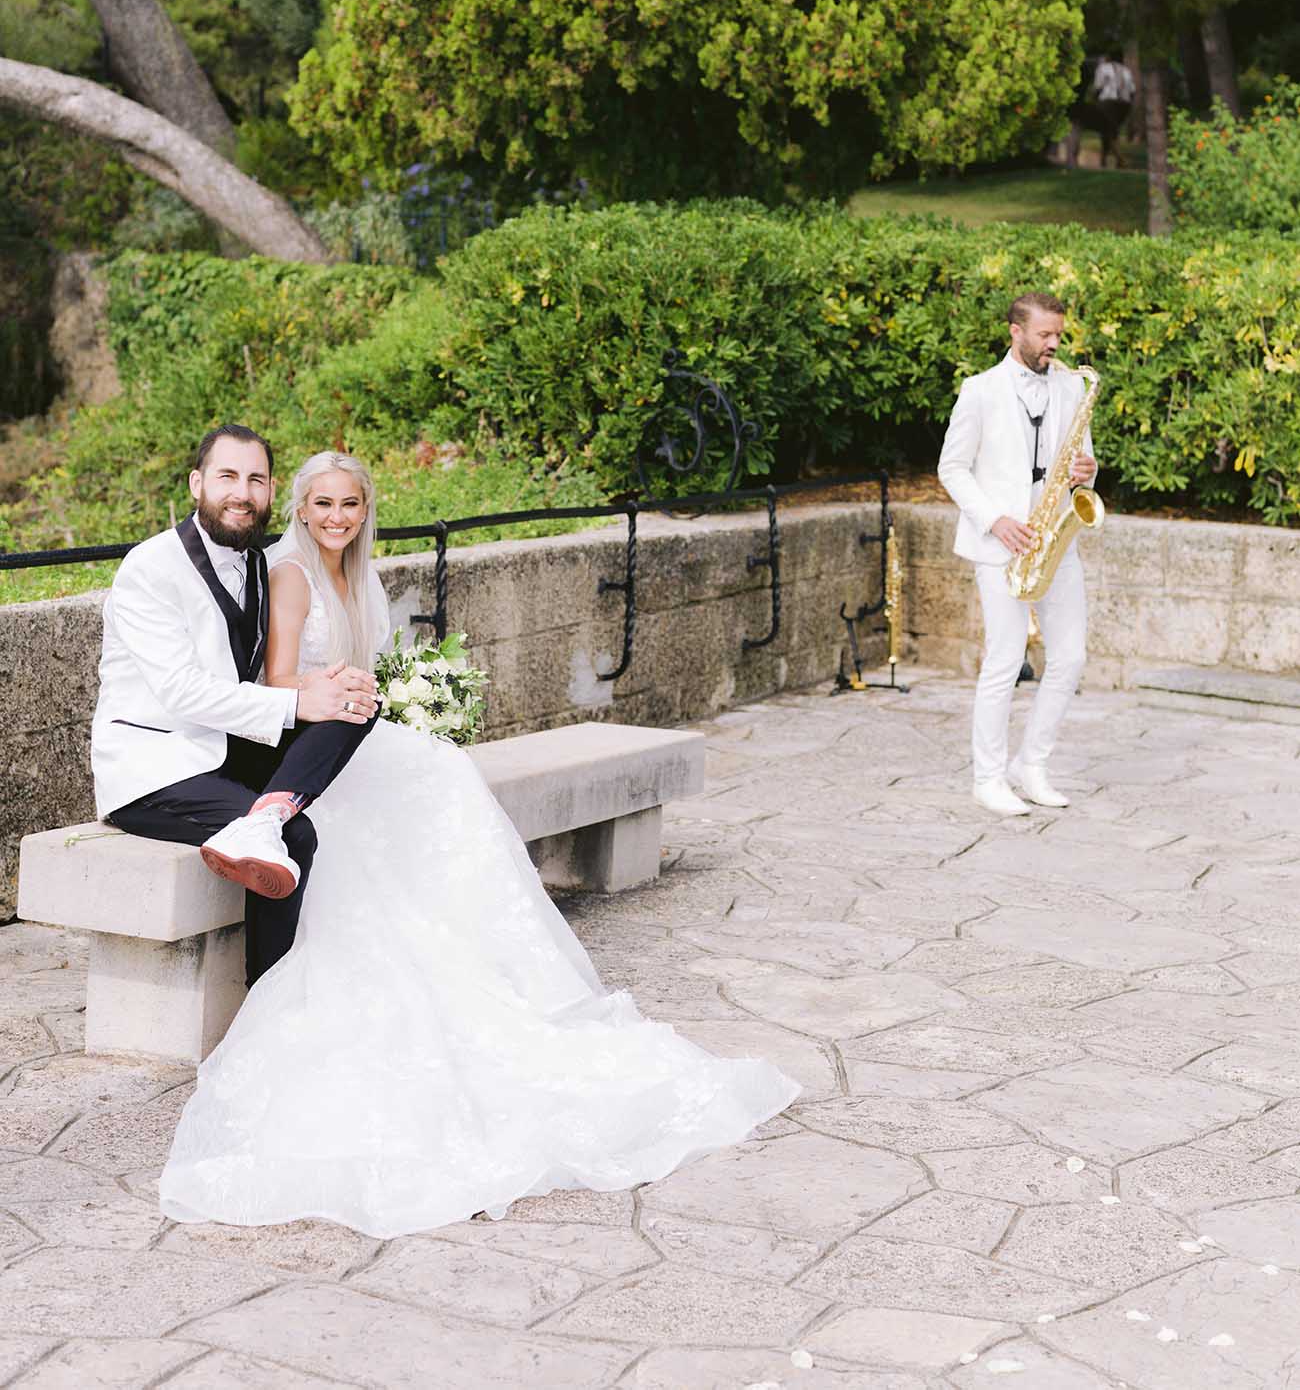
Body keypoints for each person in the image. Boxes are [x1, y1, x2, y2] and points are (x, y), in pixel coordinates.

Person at [158, 450, 798, 1237]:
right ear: (297, 507)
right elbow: (283, 680)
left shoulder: (360, 575)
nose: (335, 516)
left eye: (350, 503)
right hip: (310, 745)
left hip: (352, 735)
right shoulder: (291, 574)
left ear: (365, 510)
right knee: (436, 776)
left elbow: (369, 668)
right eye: (321, 502)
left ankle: (484, 961)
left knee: (443, 773)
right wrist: (351, 695)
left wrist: (387, 694)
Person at [93, 425, 381, 986]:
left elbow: (256, 672)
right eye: (227, 476)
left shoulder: (253, 563)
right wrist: (296, 703)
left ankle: (266, 814)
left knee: (354, 702)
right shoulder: (150, 568)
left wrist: (321, 687)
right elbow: (181, 691)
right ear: (197, 483)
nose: (242, 492)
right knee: (297, 839)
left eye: (255, 479)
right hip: (155, 768)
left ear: (272, 491)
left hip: (222, 748)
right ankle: (265, 1006)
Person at [937, 294, 1098, 817]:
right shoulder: (979, 391)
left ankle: (1032, 765)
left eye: (1058, 334)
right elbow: (952, 468)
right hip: (1001, 542)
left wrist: (1086, 472)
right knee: (1005, 659)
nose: (1054, 344)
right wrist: (995, 521)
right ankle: (987, 777)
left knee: (1070, 656)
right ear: (1016, 332)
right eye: (1044, 335)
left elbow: (1083, 458)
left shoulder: (1072, 386)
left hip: (1056, 536)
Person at [1092, 48, 1135, 168]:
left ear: (1109, 57)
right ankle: (1107, 159)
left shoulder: (1103, 68)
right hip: (1124, 105)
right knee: (1113, 131)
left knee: (1106, 131)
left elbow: (1098, 87)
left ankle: (1118, 159)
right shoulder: (1127, 71)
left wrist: (1093, 100)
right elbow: (1132, 91)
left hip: (1108, 103)